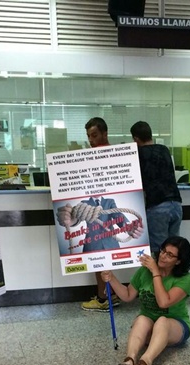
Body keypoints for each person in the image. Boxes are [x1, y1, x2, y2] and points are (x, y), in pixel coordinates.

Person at [101, 236, 190, 365]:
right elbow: (127, 295)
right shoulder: (144, 271)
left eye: (170, 255)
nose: (163, 256)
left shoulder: (185, 279)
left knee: (162, 321)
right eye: (163, 251)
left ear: (178, 261)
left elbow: (163, 302)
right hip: (149, 327)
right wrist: (112, 278)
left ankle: (146, 361)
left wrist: (156, 273)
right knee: (142, 318)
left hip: (175, 326)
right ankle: (130, 359)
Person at [81, 117, 123, 312]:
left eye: (95, 135)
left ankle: (103, 297)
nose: (91, 140)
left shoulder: (110, 156)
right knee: (97, 258)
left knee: (100, 258)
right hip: (96, 210)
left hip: (104, 210)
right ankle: (107, 294)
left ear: (105, 134)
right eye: (89, 136)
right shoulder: (93, 155)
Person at [130, 121, 183, 254]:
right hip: (176, 204)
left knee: (159, 252)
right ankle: (173, 275)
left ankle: (159, 275)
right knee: (174, 250)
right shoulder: (164, 149)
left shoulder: (139, 154)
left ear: (136, 139)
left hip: (158, 206)